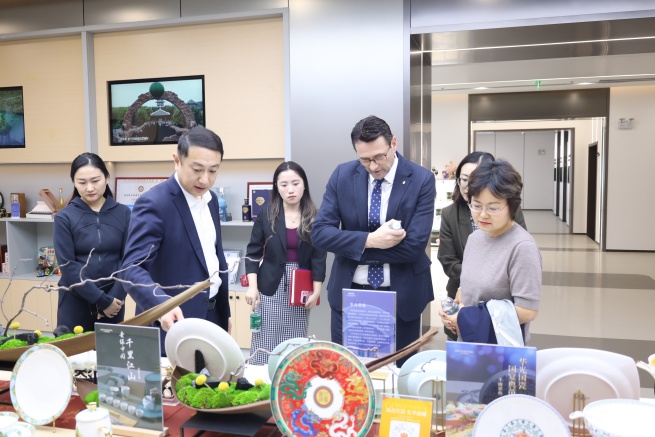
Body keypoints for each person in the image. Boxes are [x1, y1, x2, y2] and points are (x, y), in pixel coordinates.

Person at [312, 115, 436, 364]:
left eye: (379, 156)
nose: (373, 166)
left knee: (399, 373)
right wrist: (369, 240)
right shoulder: (343, 175)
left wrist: (352, 248)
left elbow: (413, 247)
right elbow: (320, 233)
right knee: (349, 372)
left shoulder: (421, 179)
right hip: (350, 296)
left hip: (401, 296)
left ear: (393, 144)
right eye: (365, 159)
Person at [119, 126, 230, 352]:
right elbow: (131, 269)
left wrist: (223, 313)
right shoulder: (154, 203)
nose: (205, 179)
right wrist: (162, 306)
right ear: (177, 161)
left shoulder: (210, 200)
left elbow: (212, 257)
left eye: (213, 171)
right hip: (173, 322)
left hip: (212, 316)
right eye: (197, 169)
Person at [440, 159, 541, 343]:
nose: (483, 214)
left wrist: (466, 319)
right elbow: (469, 288)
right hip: (467, 343)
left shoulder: (522, 247)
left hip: (499, 348)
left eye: (493, 207)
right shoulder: (475, 238)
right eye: (476, 205)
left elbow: (528, 311)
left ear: (512, 205)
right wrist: (455, 309)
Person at [244, 161, 327, 365]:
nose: (290, 190)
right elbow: (253, 252)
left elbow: (319, 256)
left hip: (300, 287)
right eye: (284, 185)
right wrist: (252, 287)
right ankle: (261, 376)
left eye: (295, 183)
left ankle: (291, 378)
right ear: (277, 187)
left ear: (304, 185)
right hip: (269, 285)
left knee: (295, 340)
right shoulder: (266, 213)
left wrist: (316, 291)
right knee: (265, 337)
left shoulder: (315, 216)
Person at [54, 153, 131, 332]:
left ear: (106, 178)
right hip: (75, 300)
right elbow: (68, 266)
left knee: (110, 349)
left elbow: (129, 260)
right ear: (74, 182)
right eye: (82, 182)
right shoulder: (64, 217)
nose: (89, 188)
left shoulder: (124, 213)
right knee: (75, 348)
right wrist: (101, 300)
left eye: (95, 180)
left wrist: (114, 300)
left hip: (114, 300)